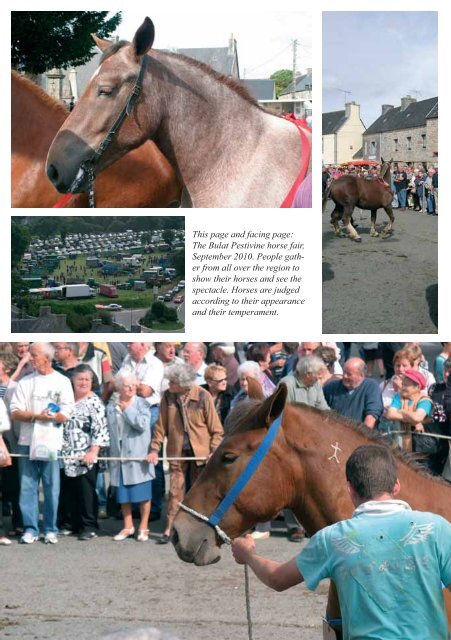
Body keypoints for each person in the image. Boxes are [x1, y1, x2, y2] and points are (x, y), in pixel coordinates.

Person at [231, 444, 451, 640]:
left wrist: (248, 554)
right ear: (396, 486)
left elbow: (277, 578)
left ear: (350, 489)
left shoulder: (332, 539)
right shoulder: (435, 528)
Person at [148, 363, 223, 544]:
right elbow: (161, 425)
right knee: (175, 491)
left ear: (183, 383)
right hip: (177, 451)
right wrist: (154, 449)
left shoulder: (203, 396)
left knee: (201, 492)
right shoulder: (168, 397)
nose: (169, 384)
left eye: (172, 382)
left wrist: (213, 450)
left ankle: (204, 528)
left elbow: (217, 430)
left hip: (201, 454)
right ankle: (170, 529)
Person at [10, 343, 75, 544]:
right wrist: (38, 416)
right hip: (27, 441)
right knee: (27, 486)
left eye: (35, 355)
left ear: (46, 357)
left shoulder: (62, 381)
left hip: (51, 441)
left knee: (51, 486)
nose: (31, 358)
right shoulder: (25, 382)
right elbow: (15, 411)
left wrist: (55, 417)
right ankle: (30, 528)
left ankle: (50, 528)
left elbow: (68, 410)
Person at [61, 364, 110, 540]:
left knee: (86, 491)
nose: (83, 383)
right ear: (72, 381)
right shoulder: (66, 399)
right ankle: (72, 523)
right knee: (69, 490)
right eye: (80, 379)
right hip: (66, 453)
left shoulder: (94, 402)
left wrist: (93, 451)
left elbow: (101, 429)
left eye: (87, 380)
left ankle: (89, 526)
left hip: (86, 454)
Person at [107, 372, 155, 542]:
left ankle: (143, 526)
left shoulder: (143, 404)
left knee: (143, 494)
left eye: (134, 385)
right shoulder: (112, 404)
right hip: (118, 453)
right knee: (123, 494)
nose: (131, 388)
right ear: (119, 387)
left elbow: (142, 425)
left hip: (138, 453)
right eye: (127, 385)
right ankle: (128, 526)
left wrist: (127, 409)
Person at [324, 358, 383, 428]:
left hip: (358, 433)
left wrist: (362, 436)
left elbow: (372, 415)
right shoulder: (332, 387)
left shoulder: (371, 386)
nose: (345, 376)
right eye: (344, 372)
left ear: (361, 375)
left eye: (349, 374)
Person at [385, 369, 433, 452]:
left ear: (417, 387)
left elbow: (417, 417)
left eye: (406, 385)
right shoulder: (399, 397)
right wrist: (414, 422)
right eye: (402, 384)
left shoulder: (425, 401)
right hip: (400, 445)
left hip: (423, 447)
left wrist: (401, 411)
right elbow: (390, 414)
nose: (402, 387)